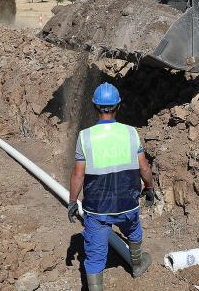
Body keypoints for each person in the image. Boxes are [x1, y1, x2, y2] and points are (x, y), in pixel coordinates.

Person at [67, 82, 155, 291]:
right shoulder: (131, 133)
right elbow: (144, 168)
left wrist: (72, 201)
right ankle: (136, 265)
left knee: (95, 256)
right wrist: (149, 188)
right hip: (128, 204)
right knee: (134, 232)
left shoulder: (85, 136)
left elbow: (78, 174)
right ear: (118, 106)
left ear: (95, 107)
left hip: (97, 209)